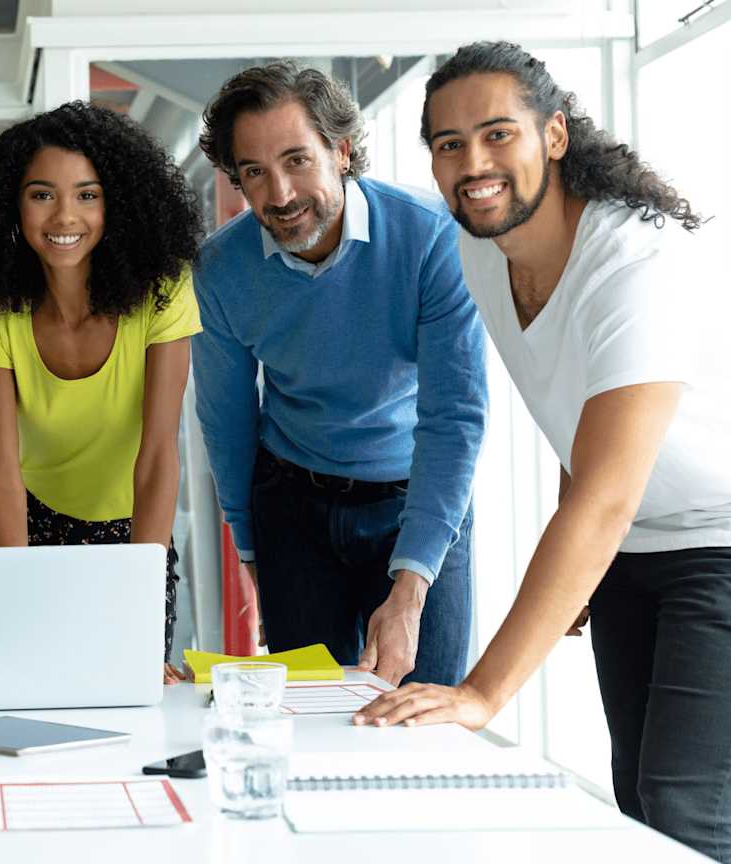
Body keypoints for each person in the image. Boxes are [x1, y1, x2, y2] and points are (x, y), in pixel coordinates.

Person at [355, 41, 731, 861]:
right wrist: (586, 568)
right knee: (638, 794)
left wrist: (482, 695)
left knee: (686, 810)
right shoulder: (482, 253)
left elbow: (604, 497)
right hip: (635, 551)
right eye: (449, 145)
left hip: (720, 543)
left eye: (498, 134)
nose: (473, 163)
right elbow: (578, 413)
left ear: (554, 135)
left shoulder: (635, 261)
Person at [190, 62, 487, 687]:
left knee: (422, 713)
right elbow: (227, 422)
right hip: (293, 508)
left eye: (297, 160)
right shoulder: (221, 269)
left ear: (342, 150)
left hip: (417, 494)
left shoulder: (433, 238)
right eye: (254, 172)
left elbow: (453, 417)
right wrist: (254, 555)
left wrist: (410, 587)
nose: (279, 194)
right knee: (313, 720)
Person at [0, 101, 204, 682]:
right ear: (12, 202)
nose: (65, 215)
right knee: (32, 676)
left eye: (88, 194)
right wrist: (16, 597)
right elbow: (1, 471)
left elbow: (159, 455)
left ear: (119, 203)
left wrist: (138, 599)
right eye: (41, 195)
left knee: (130, 684)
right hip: (34, 523)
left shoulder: (163, 291)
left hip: (136, 532)